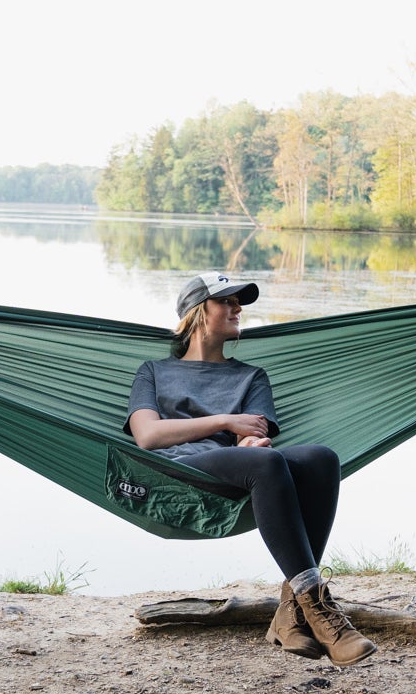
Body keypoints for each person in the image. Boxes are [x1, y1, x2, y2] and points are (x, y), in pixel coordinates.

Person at [124, 272, 376, 667]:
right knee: (267, 460)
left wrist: (248, 441)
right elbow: (148, 436)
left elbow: (253, 439)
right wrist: (226, 422)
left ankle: (292, 610)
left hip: (237, 470)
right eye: (226, 301)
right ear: (197, 312)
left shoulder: (251, 376)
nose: (237, 308)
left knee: (321, 458)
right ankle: (320, 612)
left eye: (239, 302)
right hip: (176, 472)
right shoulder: (153, 371)